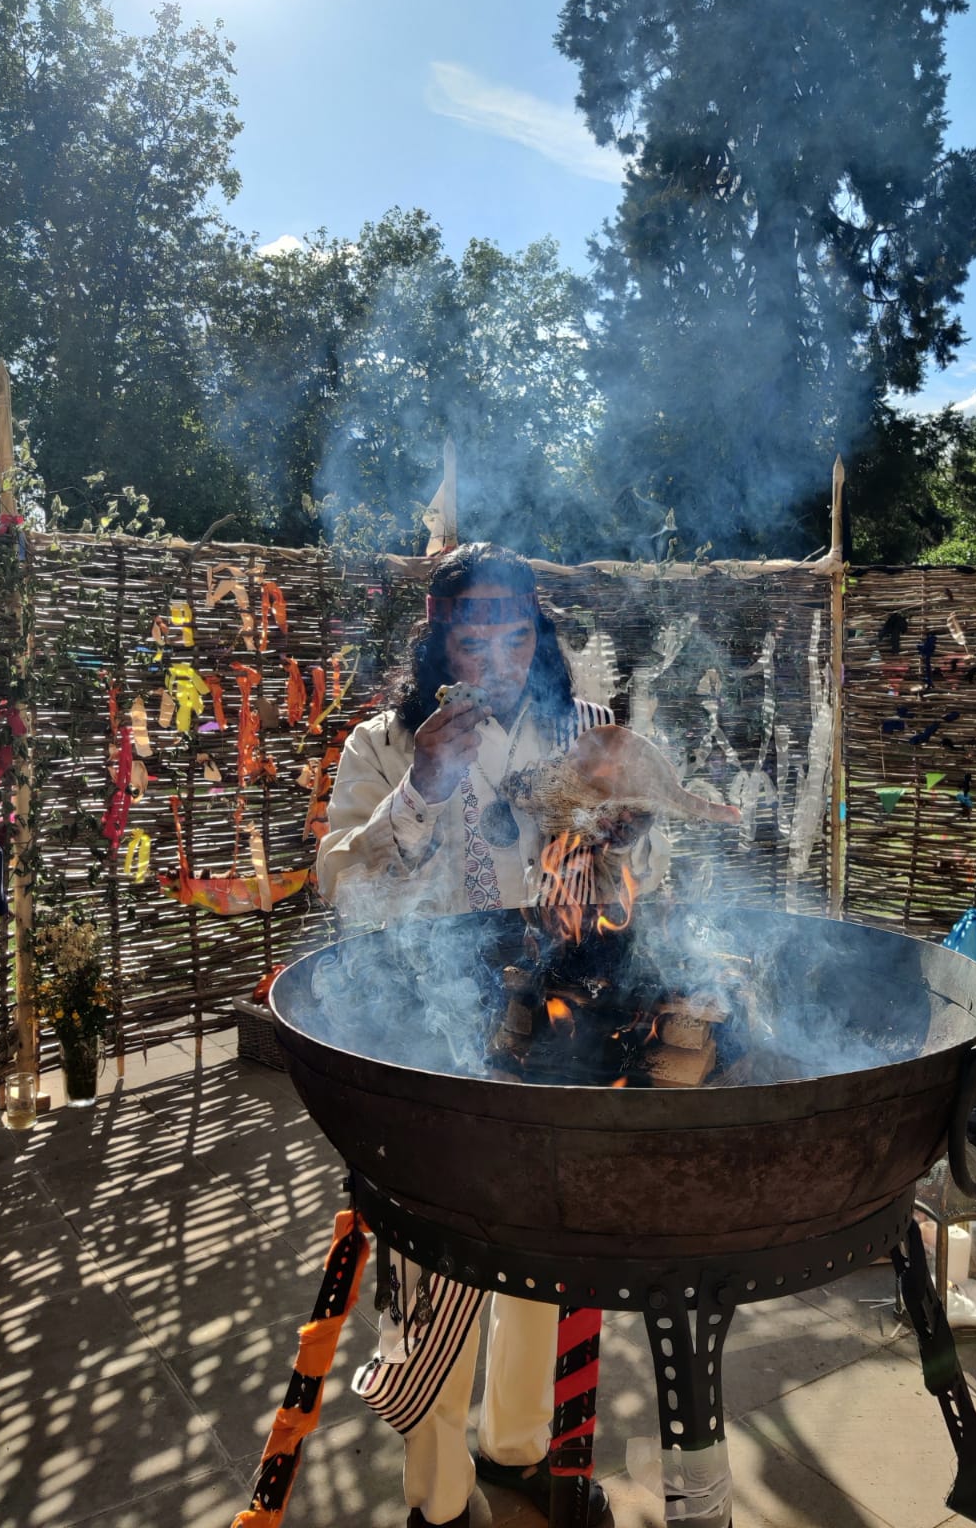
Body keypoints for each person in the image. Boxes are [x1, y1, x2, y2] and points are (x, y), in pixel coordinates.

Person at [317, 543, 667, 1528]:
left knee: (546, 1239)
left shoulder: (585, 736)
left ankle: (520, 1448)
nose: (499, 657)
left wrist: (626, 841)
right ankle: (437, 1494)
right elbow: (342, 891)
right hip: (431, 1027)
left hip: (559, 1021)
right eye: (475, 634)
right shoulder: (382, 746)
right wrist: (425, 785)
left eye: (518, 634)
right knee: (434, 1259)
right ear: (438, 638)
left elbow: (636, 890)